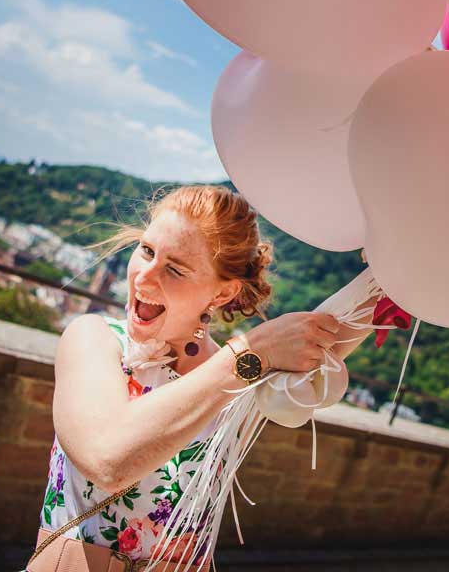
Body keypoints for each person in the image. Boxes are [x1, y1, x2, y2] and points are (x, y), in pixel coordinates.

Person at [26, 186, 377, 571]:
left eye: (174, 269)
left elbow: (327, 336)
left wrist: (389, 275)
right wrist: (250, 352)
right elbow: (108, 461)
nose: (144, 276)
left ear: (223, 293)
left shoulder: (247, 379)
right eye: (146, 250)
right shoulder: (93, 337)